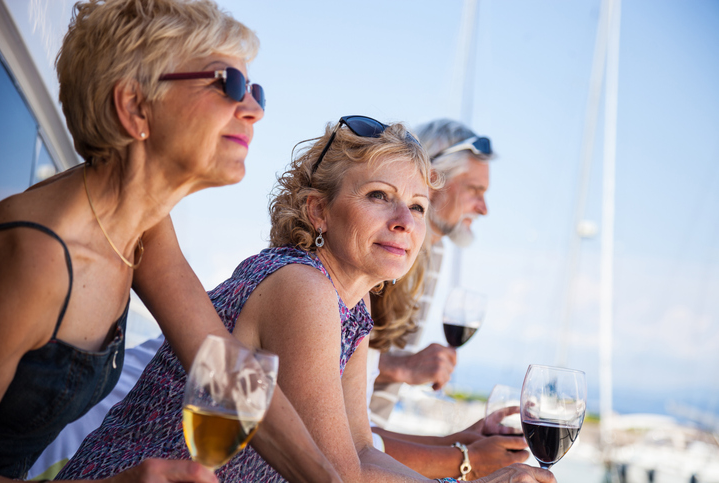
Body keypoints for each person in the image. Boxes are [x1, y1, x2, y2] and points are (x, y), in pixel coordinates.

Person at [57, 116, 556, 483]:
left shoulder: (352, 309)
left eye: (418, 205)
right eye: (379, 195)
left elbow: (361, 451)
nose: (405, 219)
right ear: (319, 211)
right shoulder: (303, 287)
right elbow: (339, 472)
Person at [0, 1, 341, 482]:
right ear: (135, 104)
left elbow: (224, 369)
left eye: (255, 89)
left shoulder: (141, 227)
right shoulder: (38, 257)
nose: (255, 110)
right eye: (230, 85)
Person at [367, 119, 511, 479]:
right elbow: (328, 352)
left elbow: (360, 437)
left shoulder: (433, 252)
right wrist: (402, 366)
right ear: (433, 181)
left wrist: (461, 442)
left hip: (367, 439)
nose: (484, 208)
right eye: (475, 189)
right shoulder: (386, 249)